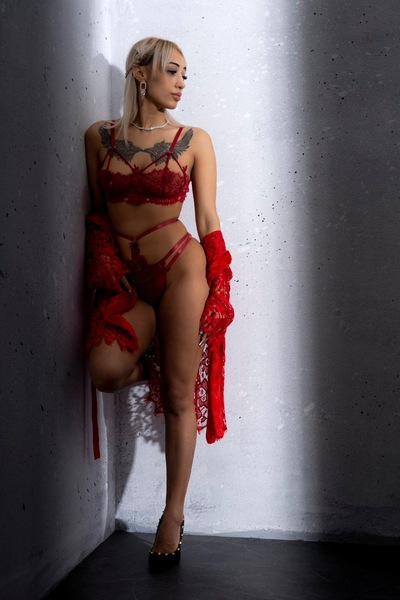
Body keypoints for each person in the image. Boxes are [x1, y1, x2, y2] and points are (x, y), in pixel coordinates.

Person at [84, 37, 234, 571]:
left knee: (178, 393)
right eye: (172, 71)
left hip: (179, 270)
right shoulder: (98, 137)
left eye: (185, 74)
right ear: (141, 74)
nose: (181, 83)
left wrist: (220, 281)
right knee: (104, 372)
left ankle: (172, 516)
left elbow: (207, 218)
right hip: (128, 282)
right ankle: (159, 360)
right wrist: (108, 268)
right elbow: (98, 213)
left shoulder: (194, 140)